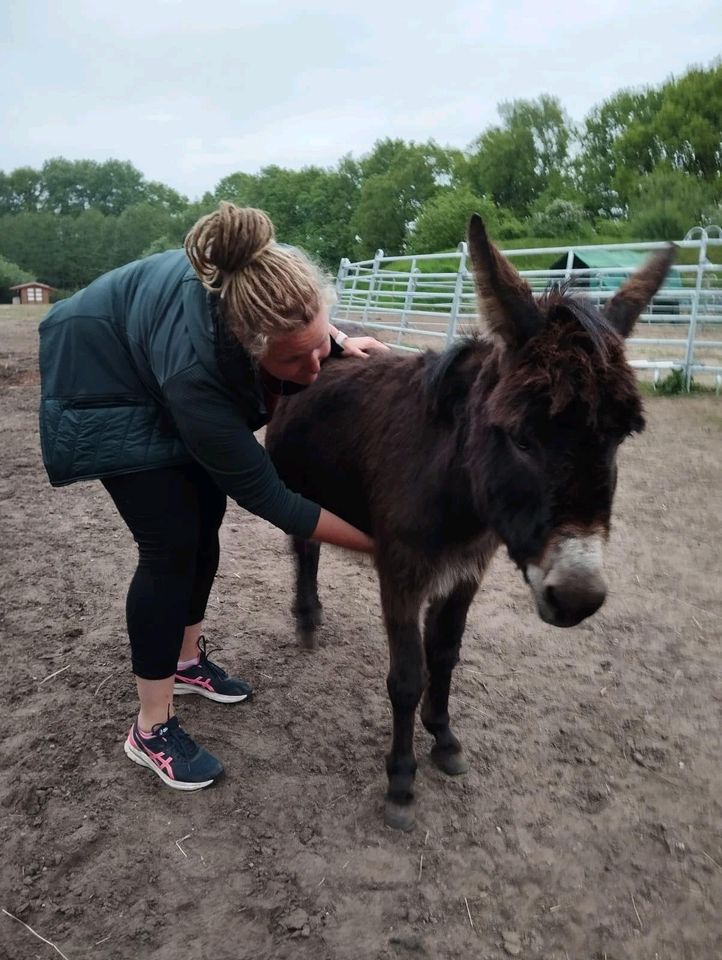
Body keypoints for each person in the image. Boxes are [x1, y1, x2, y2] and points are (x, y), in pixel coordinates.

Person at [38, 203, 388, 791]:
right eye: (292, 360)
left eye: (316, 345)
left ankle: (185, 660)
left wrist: (339, 340)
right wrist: (383, 545)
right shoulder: (196, 378)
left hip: (153, 348)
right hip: (102, 376)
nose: (313, 368)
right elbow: (269, 495)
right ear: (249, 347)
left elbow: (305, 327)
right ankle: (150, 728)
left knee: (207, 515)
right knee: (171, 540)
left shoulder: (271, 285)